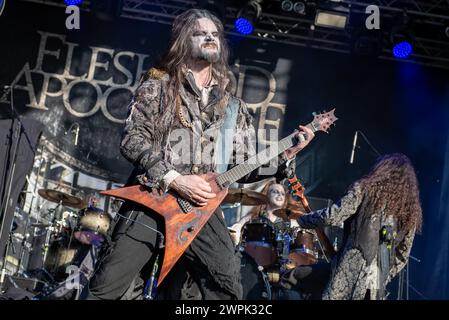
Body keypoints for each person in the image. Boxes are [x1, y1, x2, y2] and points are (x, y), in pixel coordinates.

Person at [83, 9, 315, 300]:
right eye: (200, 33)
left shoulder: (233, 108)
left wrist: (288, 153)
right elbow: (132, 139)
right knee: (106, 289)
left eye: (215, 34)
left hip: (201, 215)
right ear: (183, 42)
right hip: (153, 201)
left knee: (226, 292)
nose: (209, 37)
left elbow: (244, 165)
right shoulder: (159, 86)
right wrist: (176, 180)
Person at [281, 153, 423, 300]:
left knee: (288, 279)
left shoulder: (364, 189)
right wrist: (383, 276)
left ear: (382, 171)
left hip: (346, 276)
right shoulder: (410, 213)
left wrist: (301, 220)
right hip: (375, 287)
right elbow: (402, 256)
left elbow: (333, 216)